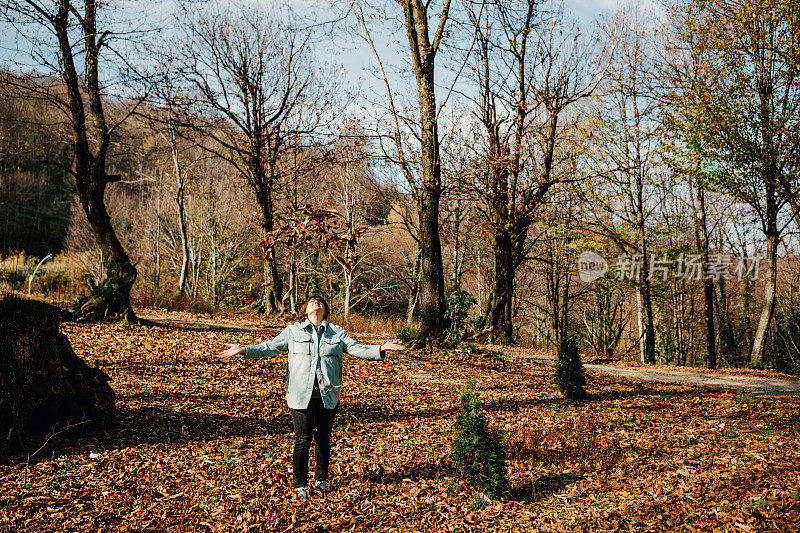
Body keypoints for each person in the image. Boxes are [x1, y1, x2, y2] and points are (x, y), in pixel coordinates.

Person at [218, 295, 405, 502]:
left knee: (323, 439)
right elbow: (270, 347)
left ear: (325, 311)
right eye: (312, 302)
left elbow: (356, 348)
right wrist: (244, 349)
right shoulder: (293, 331)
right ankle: (300, 485)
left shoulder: (337, 333)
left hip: (327, 395)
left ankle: (321, 479)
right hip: (300, 396)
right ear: (305, 311)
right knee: (303, 440)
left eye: (321, 302)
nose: (317, 303)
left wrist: (380, 348)